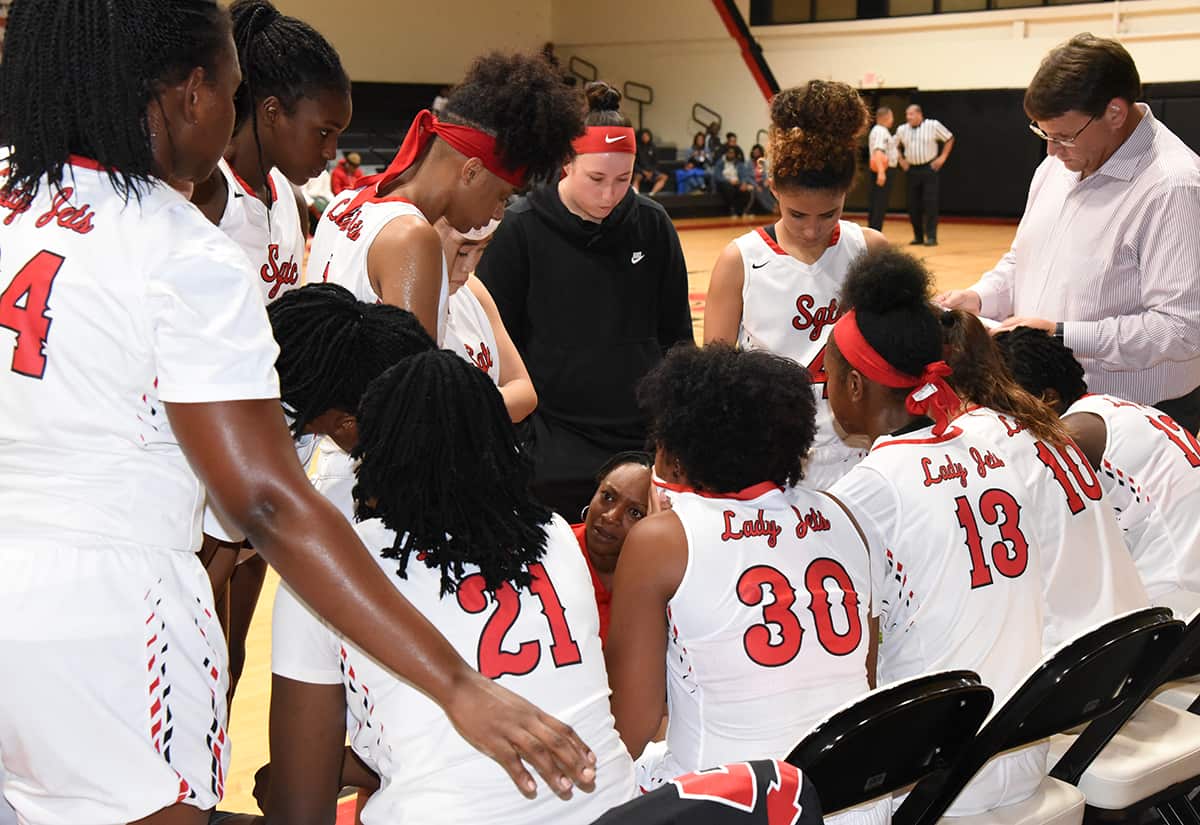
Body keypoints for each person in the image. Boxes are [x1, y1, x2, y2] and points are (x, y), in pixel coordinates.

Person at [0, 5, 598, 822]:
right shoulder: (181, 250)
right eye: (234, 91)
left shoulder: (10, 206)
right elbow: (267, 500)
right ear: (191, 96)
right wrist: (457, 682)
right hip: (107, 619)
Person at [825, 248, 1144, 816]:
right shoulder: (1001, 437)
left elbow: (853, 663)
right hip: (1023, 742)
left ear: (854, 385)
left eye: (827, 373)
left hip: (934, 774)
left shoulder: (869, 489)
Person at [266, 351, 637, 825]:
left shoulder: (329, 571)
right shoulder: (557, 534)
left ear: (373, 453)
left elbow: (299, 812)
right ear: (501, 442)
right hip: (616, 810)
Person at [605, 343, 884, 825]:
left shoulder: (662, 540)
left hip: (739, 806)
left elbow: (629, 729)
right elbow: (864, 680)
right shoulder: (846, 517)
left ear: (680, 442)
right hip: (852, 804)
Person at [189, 0, 354, 700]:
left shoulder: (286, 194)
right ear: (272, 111)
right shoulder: (206, 195)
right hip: (202, 446)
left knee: (230, 657)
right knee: (191, 646)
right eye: (323, 132)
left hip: (264, 435)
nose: (331, 152)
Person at [938, 34, 1200, 433]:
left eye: (1062, 136)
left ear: (1115, 112)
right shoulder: (1060, 166)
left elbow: (1182, 328)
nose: (1051, 152)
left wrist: (1063, 335)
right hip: (1049, 395)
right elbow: (1023, 259)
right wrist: (979, 297)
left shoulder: (1173, 187)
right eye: (1044, 135)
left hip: (1134, 416)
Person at [477, 80, 694, 520]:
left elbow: (678, 340)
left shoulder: (652, 226)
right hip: (550, 444)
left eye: (623, 180)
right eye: (596, 179)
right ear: (565, 163)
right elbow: (495, 348)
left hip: (638, 441)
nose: (609, 195)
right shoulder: (520, 229)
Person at [310, 51, 583, 344]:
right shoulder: (412, 237)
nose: (497, 213)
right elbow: (415, 384)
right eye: (502, 196)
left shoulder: (347, 200)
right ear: (472, 172)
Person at [704, 80, 889, 489]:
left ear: (845, 193)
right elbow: (714, 378)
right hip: (773, 455)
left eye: (828, 214)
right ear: (773, 190)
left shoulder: (869, 249)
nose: (811, 230)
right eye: (797, 214)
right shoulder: (741, 260)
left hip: (860, 452)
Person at [996, 326, 1200, 616]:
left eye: (999, 407)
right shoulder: (1107, 408)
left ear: (1047, 398)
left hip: (1178, 595)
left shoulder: (1073, 437)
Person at [438, 218, 538, 422]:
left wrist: (466, 407)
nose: (469, 266)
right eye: (463, 252)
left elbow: (525, 394)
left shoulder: (473, 289)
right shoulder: (401, 305)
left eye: (481, 250)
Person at [572, 451, 653, 645]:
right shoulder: (549, 552)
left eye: (635, 512)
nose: (611, 516)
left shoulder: (659, 580)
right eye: (608, 497)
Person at [893, 103, 953, 246]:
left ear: (919, 114)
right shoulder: (902, 129)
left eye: (911, 114)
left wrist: (942, 158)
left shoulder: (933, 125)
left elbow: (949, 138)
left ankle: (931, 237)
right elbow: (892, 144)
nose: (908, 117)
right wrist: (901, 160)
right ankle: (918, 236)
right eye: (907, 114)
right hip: (912, 170)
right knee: (913, 204)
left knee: (930, 203)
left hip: (929, 169)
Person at [866, 107, 896, 232]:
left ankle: (874, 231)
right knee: (879, 204)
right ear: (886, 117)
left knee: (877, 202)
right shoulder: (880, 131)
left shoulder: (879, 130)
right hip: (882, 169)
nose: (893, 120)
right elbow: (878, 151)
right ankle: (875, 232)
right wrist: (881, 172)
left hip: (880, 169)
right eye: (892, 117)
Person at [712, 145, 754, 217]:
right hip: (724, 183)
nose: (730, 154)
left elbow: (744, 175)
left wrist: (743, 183)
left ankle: (742, 211)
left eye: (732, 153)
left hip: (737, 182)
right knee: (729, 188)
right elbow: (717, 176)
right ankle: (732, 210)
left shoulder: (739, 163)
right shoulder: (720, 162)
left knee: (746, 191)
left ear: (735, 154)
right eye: (729, 153)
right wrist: (729, 181)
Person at [634, 128, 669, 196]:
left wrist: (651, 172)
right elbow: (634, 164)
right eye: (643, 136)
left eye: (647, 136)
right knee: (637, 177)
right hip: (640, 171)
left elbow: (656, 163)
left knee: (664, 177)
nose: (645, 138)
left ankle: (652, 194)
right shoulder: (637, 148)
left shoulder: (653, 147)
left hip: (651, 171)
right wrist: (643, 172)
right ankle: (636, 195)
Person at [748, 143, 777, 214]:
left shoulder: (763, 162)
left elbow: (766, 173)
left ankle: (775, 205)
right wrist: (756, 186)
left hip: (762, 182)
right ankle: (772, 209)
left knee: (766, 189)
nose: (756, 154)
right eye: (755, 152)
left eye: (758, 152)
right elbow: (748, 177)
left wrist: (767, 180)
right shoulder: (749, 163)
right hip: (754, 183)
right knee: (759, 192)